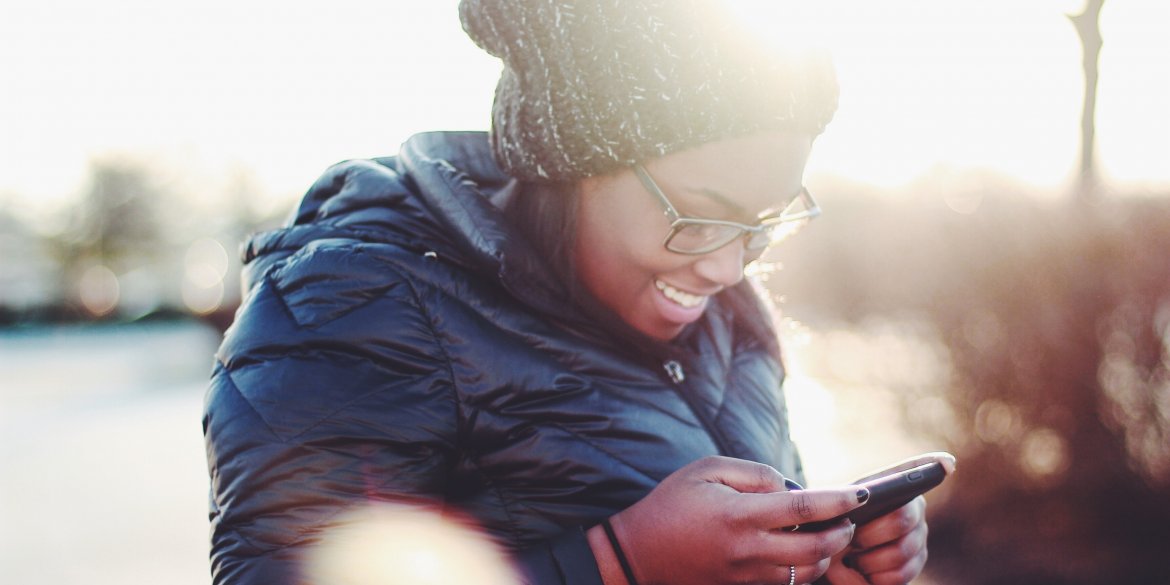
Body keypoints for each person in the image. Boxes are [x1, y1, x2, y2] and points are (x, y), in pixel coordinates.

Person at [202, 1, 949, 584]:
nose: (729, 268)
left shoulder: (728, 315)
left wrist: (827, 559)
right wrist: (617, 563)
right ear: (573, 162)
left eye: (762, 223)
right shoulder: (357, 301)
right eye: (700, 213)